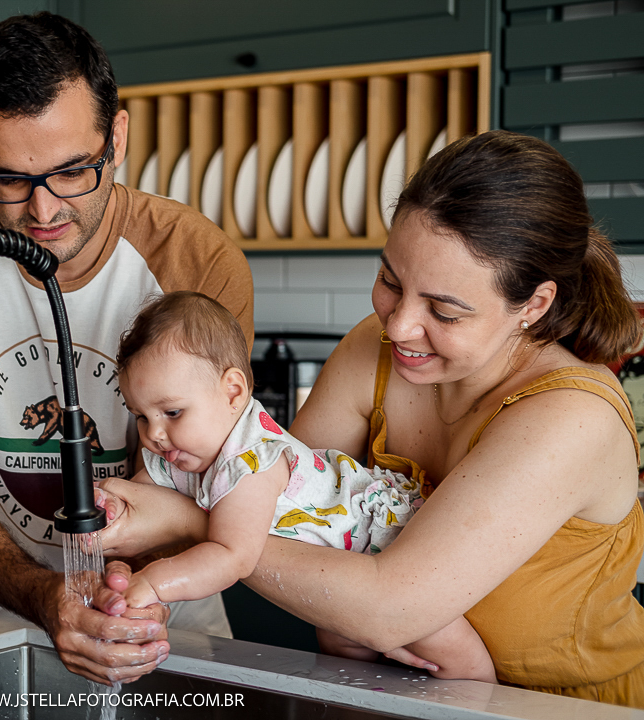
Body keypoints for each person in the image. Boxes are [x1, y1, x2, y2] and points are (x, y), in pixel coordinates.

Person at [95, 130, 644, 705]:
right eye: (390, 280)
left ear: (534, 305)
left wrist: (188, 521)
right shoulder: (375, 350)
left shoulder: (572, 418)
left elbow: (386, 608)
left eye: (443, 310)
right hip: (399, 693)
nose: (399, 325)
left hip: (559, 709)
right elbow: (280, 507)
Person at [0, 12, 254, 685]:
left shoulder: (196, 260)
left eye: (74, 172)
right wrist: (48, 598)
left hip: (158, 621)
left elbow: (195, 483)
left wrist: (111, 605)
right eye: (8, 180)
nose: (43, 212)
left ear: (119, 138)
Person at [108, 290, 495, 682]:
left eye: (171, 412)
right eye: (141, 416)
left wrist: (151, 585)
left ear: (233, 392)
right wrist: (107, 506)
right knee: (345, 653)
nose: (154, 433)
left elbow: (231, 556)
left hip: (389, 546)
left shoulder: (253, 461)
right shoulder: (180, 446)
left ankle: (487, 698)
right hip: (338, 573)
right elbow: (145, 499)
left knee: (448, 653)